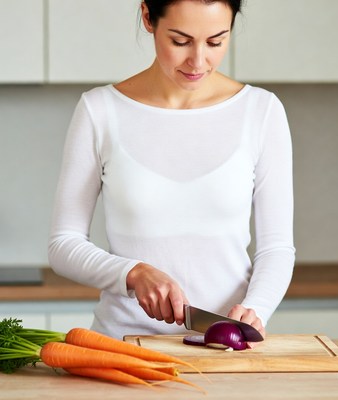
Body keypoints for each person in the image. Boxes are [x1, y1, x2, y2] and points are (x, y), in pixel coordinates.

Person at [48, 0, 295, 346]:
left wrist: (257, 308)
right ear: (148, 17)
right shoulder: (100, 110)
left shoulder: (261, 111)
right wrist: (132, 273)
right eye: (180, 41)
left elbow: (277, 248)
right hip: (122, 347)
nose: (198, 61)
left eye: (216, 41)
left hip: (224, 347)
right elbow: (64, 244)